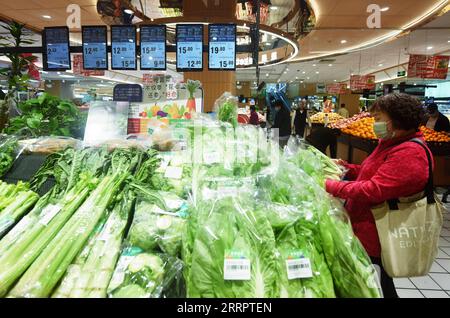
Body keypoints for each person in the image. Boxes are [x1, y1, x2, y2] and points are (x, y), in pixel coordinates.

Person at [325, 93, 432, 299]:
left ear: (395, 121)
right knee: (374, 280)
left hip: (381, 231)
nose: (374, 123)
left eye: (378, 118)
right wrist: (347, 168)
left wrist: (331, 186)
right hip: (368, 226)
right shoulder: (391, 143)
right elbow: (372, 172)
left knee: (376, 282)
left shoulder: (411, 153)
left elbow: (374, 189)